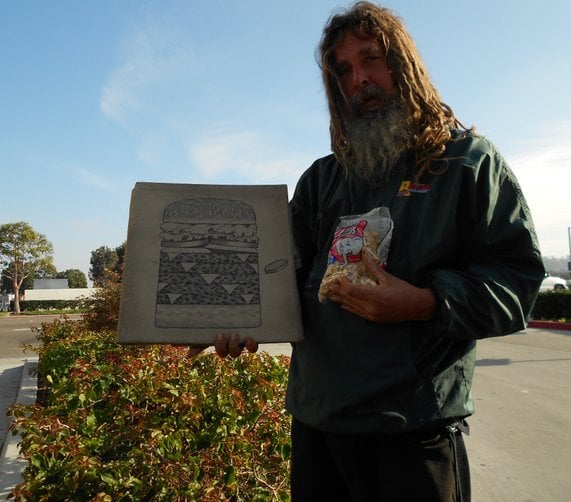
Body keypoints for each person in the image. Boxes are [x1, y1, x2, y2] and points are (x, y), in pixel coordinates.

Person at [208, 2, 545, 500]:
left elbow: (517, 284)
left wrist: (427, 302)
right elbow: (274, 278)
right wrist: (233, 321)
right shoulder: (322, 180)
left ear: (404, 64)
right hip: (319, 425)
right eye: (343, 70)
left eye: (371, 59)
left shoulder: (466, 163)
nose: (358, 79)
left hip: (413, 431)